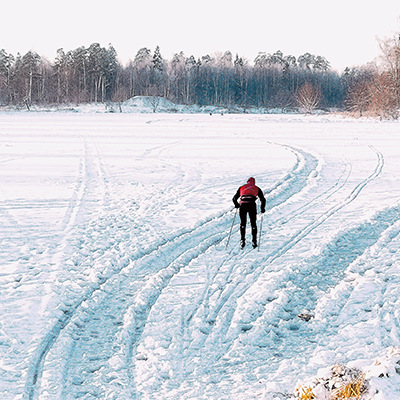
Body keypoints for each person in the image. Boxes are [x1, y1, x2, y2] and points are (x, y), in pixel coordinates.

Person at [232, 177, 266, 249]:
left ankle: (242, 240)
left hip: (243, 205)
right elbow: (263, 199)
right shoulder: (257, 188)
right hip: (252, 205)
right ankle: (254, 240)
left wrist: (237, 205)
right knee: (253, 223)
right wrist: (262, 208)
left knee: (243, 223)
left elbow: (234, 198)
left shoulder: (242, 187)